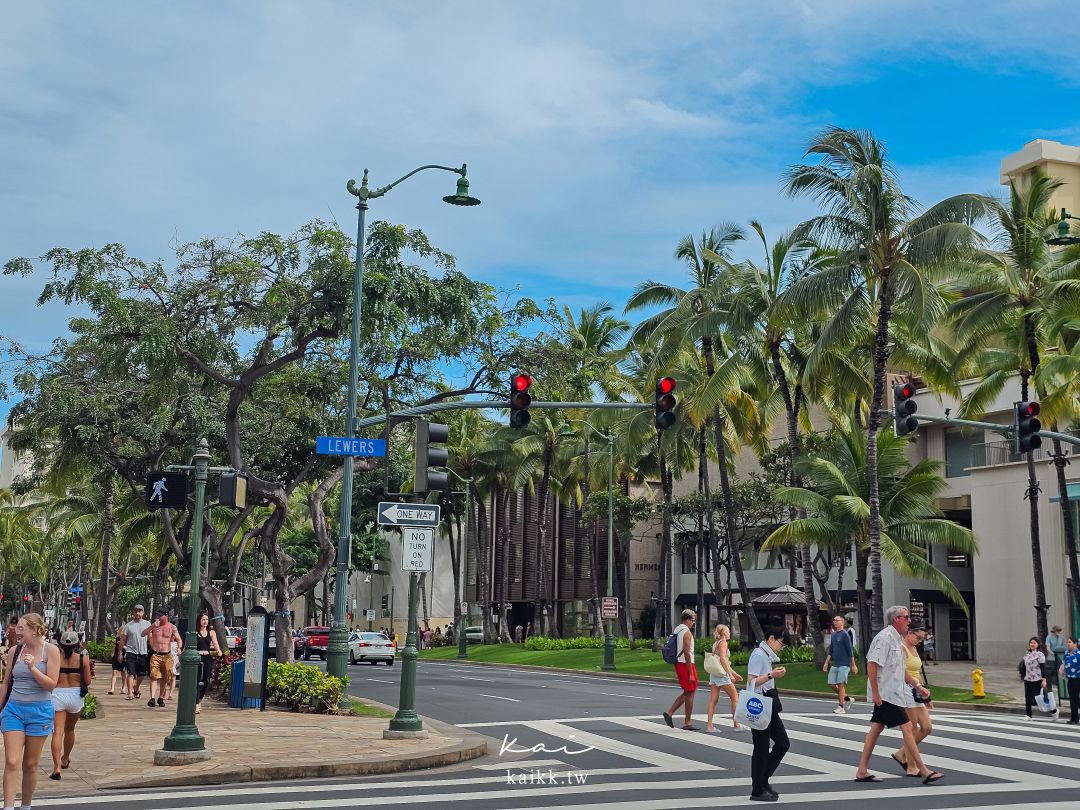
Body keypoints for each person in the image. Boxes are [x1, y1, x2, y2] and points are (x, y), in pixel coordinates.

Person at [854, 605, 942, 785]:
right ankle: (923, 770)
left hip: (893, 692)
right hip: (886, 693)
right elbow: (872, 664)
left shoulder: (897, 639)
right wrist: (876, 693)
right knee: (908, 727)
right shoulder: (885, 638)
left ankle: (862, 770)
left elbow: (900, 670)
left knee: (876, 729)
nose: (909, 621)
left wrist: (918, 686)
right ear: (896, 619)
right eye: (906, 617)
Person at [0, 613, 60, 810]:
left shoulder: (51, 651)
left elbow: (51, 685)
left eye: (21, 628)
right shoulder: (15, 651)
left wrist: (33, 668)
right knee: (12, 761)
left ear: (34, 630)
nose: (16, 631)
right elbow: (6, 683)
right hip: (14, 710)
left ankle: (26, 806)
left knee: (30, 764)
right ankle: (8, 807)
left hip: (39, 712)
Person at [746, 626, 790, 802]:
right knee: (762, 747)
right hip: (759, 704)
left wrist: (772, 674)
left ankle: (763, 780)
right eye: (781, 643)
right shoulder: (758, 654)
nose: (781, 647)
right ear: (771, 638)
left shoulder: (766, 655)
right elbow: (752, 681)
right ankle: (757, 789)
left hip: (768, 704)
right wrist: (771, 675)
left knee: (782, 743)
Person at [48, 629, 91, 781]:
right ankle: (65, 758)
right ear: (76, 645)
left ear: (60, 644)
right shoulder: (83, 659)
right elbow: (87, 681)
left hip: (58, 693)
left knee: (57, 732)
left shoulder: (55, 659)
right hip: (75, 694)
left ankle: (56, 767)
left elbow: (49, 678)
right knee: (70, 729)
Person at [892, 623, 933, 776]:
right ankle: (911, 766)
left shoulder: (914, 648)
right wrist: (917, 686)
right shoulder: (901, 648)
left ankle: (901, 753)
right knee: (912, 728)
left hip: (917, 690)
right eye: (918, 637)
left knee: (927, 727)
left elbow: (917, 672)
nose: (920, 641)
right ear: (909, 632)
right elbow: (902, 672)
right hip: (905, 689)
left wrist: (925, 696)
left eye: (922, 639)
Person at [662, 609, 698, 731]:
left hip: (679, 663)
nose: (693, 623)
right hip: (685, 664)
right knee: (690, 692)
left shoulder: (677, 629)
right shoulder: (687, 633)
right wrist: (691, 673)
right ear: (687, 620)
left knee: (688, 692)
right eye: (693, 620)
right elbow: (687, 653)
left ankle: (672, 714)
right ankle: (686, 721)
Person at [705, 623, 744, 733]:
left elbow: (720, 661)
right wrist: (730, 675)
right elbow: (722, 660)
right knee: (735, 698)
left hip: (714, 674)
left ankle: (709, 726)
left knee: (713, 701)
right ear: (724, 633)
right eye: (728, 631)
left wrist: (734, 674)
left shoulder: (716, 643)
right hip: (722, 676)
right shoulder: (723, 643)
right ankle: (736, 724)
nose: (730, 633)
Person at [142, 609, 181, 708]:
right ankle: (152, 698)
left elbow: (179, 639)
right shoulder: (154, 626)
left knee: (166, 677)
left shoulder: (172, 627)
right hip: (155, 654)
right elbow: (143, 634)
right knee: (154, 676)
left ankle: (161, 697)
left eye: (160, 616)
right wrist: (152, 626)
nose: (158, 617)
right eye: (157, 616)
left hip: (167, 655)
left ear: (166, 616)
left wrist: (179, 648)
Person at [823, 614, 858, 714]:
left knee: (840, 684)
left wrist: (853, 665)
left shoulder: (845, 635)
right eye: (834, 620)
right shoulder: (834, 635)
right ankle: (847, 698)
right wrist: (826, 663)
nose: (835, 622)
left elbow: (850, 651)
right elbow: (831, 650)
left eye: (837, 620)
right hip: (835, 664)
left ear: (842, 622)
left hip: (844, 664)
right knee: (831, 683)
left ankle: (841, 707)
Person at [118, 605, 150, 701]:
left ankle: (136, 688)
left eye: (139, 611)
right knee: (130, 673)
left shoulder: (147, 624)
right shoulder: (128, 626)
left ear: (143, 613)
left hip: (143, 653)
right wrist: (120, 653)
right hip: (131, 652)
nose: (137, 613)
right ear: (133, 613)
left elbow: (151, 637)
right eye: (135, 611)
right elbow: (123, 640)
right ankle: (130, 693)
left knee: (142, 674)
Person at [194, 613, 222, 714]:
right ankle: (196, 704)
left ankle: (199, 700)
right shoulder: (195, 632)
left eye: (206, 619)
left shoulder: (211, 632)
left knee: (206, 681)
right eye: (203, 619)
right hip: (197, 658)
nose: (205, 621)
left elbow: (215, 644)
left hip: (207, 658)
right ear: (199, 621)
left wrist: (218, 650)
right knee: (197, 681)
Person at [1020, 636, 1049, 721]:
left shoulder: (1040, 655)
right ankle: (1028, 715)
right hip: (1028, 678)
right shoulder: (1027, 654)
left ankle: (1053, 710)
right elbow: (1024, 666)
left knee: (1037, 698)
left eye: (1034, 643)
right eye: (1031, 643)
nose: (1032, 644)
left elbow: (1043, 668)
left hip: (1037, 679)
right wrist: (1022, 675)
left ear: (1038, 644)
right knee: (1028, 697)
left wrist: (1044, 679)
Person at [1059, 637, 1080, 725]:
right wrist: (1061, 671)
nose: (1068, 644)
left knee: (1075, 699)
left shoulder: (1078, 654)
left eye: (1070, 642)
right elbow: (1063, 663)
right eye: (1067, 642)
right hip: (1070, 678)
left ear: (1075, 644)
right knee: (1072, 699)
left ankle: (1075, 718)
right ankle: (1074, 718)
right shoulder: (1066, 653)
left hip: (1078, 678)